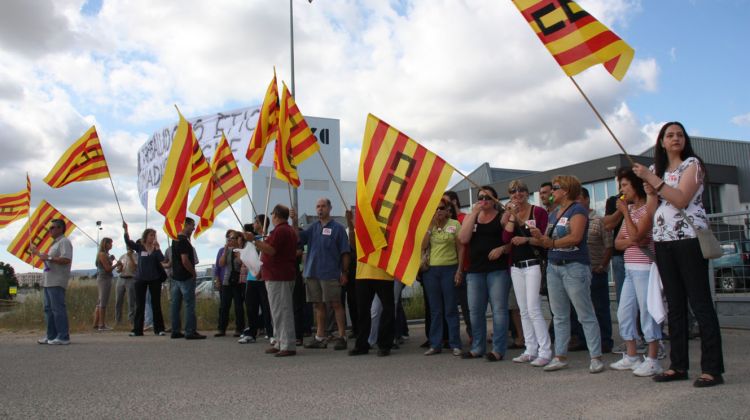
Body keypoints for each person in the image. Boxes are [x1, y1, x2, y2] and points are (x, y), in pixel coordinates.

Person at [633, 121, 725, 387]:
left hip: (688, 239)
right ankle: (678, 365)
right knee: (674, 304)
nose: (675, 138)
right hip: (663, 241)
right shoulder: (655, 170)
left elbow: (682, 198)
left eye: (679, 134)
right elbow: (652, 211)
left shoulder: (692, 165)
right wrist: (650, 191)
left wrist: (653, 181)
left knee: (699, 301)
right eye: (669, 135)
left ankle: (712, 368)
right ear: (661, 141)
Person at [530, 175, 604, 373]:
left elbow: (576, 237)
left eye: (555, 188)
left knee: (584, 313)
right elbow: (548, 239)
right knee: (559, 315)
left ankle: (596, 356)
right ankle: (560, 356)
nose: (552, 191)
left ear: (565, 190)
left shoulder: (577, 209)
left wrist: (551, 243)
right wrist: (538, 237)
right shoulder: (554, 214)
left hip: (575, 266)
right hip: (555, 266)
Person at [609, 168, 663, 377]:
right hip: (630, 268)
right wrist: (633, 237)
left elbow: (638, 235)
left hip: (644, 267)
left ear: (636, 186)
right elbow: (618, 242)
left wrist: (625, 216)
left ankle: (652, 358)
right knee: (624, 312)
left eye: (625, 185)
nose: (622, 190)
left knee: (647, 312)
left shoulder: (645, 209)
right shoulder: (631, 211)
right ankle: (632, 355)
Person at [502, 180, 552, 367]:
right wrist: (512, 217)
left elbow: (543, 239)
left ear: (527, 192)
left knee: (533, 308)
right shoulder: (510, 214)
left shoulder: (538, 212)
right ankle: (530, 348)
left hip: (533, 263)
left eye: (521, 190)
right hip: (516, 266)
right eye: (513, 191)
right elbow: (506, 238)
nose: (518, 194)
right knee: (523, 310)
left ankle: (545, 350)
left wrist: (526, 239)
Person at [458, 185, 511, 362]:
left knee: (499, 310)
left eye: (488, 198)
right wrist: (474, 214)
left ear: (495, 200)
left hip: (497, 270)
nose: (484, 200)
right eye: (481, 197)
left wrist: (502, 249)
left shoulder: (502, 217)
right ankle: (478, 347)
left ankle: (498, 349)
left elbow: (510, 239)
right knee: (475, 311)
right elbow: (463, 239)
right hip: (475, 271)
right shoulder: (471, 217)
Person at [292, 198, 351, 351]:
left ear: (330, 208)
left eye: (323, 206)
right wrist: (293, 221)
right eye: (318, 206)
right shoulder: (312, 227)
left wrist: (344, 272)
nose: (320, 209)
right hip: (312, 272)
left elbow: (345, 253)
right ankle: (320, 337)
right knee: (318, 305)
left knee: (336, 304)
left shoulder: (338, 228)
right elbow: (297, 238)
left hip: (330, 273)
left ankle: (341, 336)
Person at [252, 205, 298, 357]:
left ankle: (287, 344)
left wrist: (255, 241)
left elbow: (271, 250)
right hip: (276, 275)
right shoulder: (284, 230)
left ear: (276, 215)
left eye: (272, 214)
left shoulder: (281, 230)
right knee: (277, 310)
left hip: (279, 275)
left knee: (283, 310)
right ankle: (279, 341)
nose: (271, 217)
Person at [421, 197, 464, 356]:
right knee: (435, 310)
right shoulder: (428, 225)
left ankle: (455, 344)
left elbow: (461, 248)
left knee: (451, 308)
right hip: (431, 271)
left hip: (450, 269)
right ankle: (435, 344)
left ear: (447, 210)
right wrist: (430, 227)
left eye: (441, 208)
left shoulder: (455, 224)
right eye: (436, 208)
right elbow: (423, 246)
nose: (438, 211)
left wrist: (459, 270)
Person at [575, 187, 614, 354]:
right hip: (579, 270)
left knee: (600, 307)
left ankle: (605, 341)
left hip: (596, 270)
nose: (575, 203)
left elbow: (609, 246)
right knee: (581, 308)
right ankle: (584, 340)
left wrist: (602, 266)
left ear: (587, 199)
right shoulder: (573, 220)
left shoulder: (598, 221)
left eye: (578, 199)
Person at [123, 223, 167, 336]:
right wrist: (126, 230)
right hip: (141, 279)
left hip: (154, 279)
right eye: (151, 235)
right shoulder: (140, 247)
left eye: (154, 236)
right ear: (146, 236)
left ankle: (159, 329)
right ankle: (138, 330)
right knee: (140, 304)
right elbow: (129, 242)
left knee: (156, 304)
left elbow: (162, 260)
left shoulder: (156, 249)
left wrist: (158, 249)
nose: (153, 237)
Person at [33, 219, 73, 345]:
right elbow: (48, 260)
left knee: (57, 309)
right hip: (48, 280)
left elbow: (66, 259)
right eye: (50, 228)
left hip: (57, 280)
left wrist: (49, 257)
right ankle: (51, 335)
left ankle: (63, 336)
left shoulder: (64, 242)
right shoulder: (54, 243)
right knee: (48, 309)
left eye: (53, 227)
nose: (50, 230)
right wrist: (38, 253)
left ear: (61, 228)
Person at [169, 217, 206, 340]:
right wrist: (193, 272)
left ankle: (175, 330)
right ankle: (190, 331)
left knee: (175, 305)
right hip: (185, 277)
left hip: (175, 277)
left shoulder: (174, 239)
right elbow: (185, 260)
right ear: (186, 225)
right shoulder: (183, 241)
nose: (194, 228)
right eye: (192, 225)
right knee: (189, 304)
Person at [443, 190, 472, 343]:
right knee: (449, 306)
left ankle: (473, 335)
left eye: (446, 203)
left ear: (454, 202)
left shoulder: (464, 218)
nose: (443, 207)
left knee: (467, 306)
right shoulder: (442, 222)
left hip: (466, 268)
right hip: (448, 268)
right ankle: (450, 338)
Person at [240, 223, 273, 344]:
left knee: (266, 307)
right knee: (251, 307)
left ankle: (271, 333)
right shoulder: (249, 240)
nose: (254, 224)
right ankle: (251, 333)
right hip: (251, 277)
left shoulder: (267, 238)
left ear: (263, 223)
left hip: (264, 278)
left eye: (257, 222)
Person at [216, 230, 246, 337]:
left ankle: (239, 328)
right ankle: (221, 328)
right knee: (224, 306)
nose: (230, 240)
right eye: (229, 238)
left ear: (238, 239)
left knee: (238, 306)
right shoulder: (224, 250)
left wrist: (237, 250)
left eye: (232, 238)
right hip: (226, 281)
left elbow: (241, 262)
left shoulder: (241, 250)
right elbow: (221, 264)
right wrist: (225, 250)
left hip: (238, 281)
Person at [93, 237, 122, 331]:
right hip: (104, 279)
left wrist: (111, 259)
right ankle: (101, 325)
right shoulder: (102, 254)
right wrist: (116, 265)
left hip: (105, 278)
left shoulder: (105, 255)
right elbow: (108, 269)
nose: (111, 245)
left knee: (100, 301)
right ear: (106, 244)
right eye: (110, 243)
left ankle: (96, 324)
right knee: (103, 302)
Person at [114, 248, 137, 326]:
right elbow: (118, 270)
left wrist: (130, 257)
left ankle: (131, 320)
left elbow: (135, 268)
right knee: (118, 301)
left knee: (131, 301)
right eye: (127, 246)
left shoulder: (136, 256)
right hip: (121, 278)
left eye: (129, 246)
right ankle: (118, 321)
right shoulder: (122, 256)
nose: (128, 247)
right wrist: (119, 266)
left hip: (131, 279)